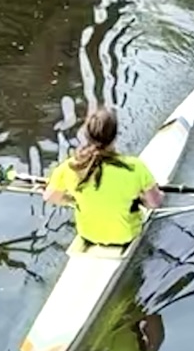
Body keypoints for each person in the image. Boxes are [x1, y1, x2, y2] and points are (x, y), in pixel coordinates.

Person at [42, 103, 163, 252]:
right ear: (114, 137)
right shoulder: (135, 167)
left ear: (87, 135)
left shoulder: (69, 167)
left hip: (88, 235)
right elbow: (154, 204)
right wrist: (144, 198)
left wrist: (73, 200)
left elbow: (50, 197)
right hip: (126, 236)